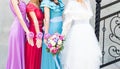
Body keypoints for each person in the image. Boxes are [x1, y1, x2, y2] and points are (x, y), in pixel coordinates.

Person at [61, 0, 102, 69]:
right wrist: (62, 36)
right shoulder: (72, 3)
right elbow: (67, 22)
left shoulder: (86, 2)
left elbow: (89, 17)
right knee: (77, 55)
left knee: (88, 55)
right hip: (77, 32)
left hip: (88, 33)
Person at [6, 0, 31, 69]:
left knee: (22, 52)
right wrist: (28, 31)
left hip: (23, 27)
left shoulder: (20, 1)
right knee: (17, 53)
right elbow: (20, 17)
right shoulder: (13, 0)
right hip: (18, 29)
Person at [40, 0, 64, 69]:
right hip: (52, 29)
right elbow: (47, 20)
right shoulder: (46, 3)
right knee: (52, 53)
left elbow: (62, 17)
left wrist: (64, 31)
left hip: (60, 29)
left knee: (59, 51)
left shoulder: (59, 2)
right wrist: (46, 35)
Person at [25, 0, 44, 69]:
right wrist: (38, 37)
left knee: (39, 56)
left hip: (41, 31)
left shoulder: (39, 4)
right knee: (33, 54)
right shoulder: (29, 5)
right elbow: (35, 21)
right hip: (34, 32)